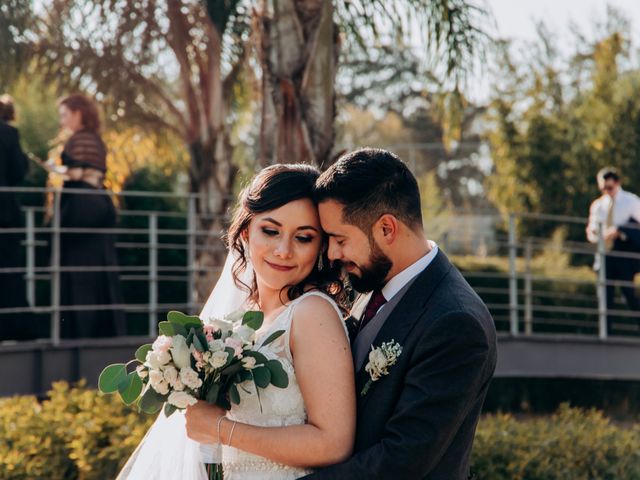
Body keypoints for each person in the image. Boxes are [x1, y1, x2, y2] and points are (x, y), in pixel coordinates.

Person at [119, 164, 355, 479]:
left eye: (303, 238)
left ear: (320, 246)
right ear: (246, 231)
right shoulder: (242, 321)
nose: (283, 251)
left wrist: (221, 429)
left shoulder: (311, 314)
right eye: (270, 231)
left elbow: (333, 444)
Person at [305, 148, 498, 479]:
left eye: (339, 239)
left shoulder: (456, 322)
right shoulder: (374, 285)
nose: (332, 254)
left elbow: (401, 460)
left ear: (386, 229)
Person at [56, 94, 125, 337]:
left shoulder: (78, 140)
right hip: (100, 205)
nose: (62, 121)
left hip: (80, 209)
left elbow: (75, 174)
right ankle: (104, 330)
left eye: (65, 115)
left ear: (78, 113)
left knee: (77, 273)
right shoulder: (97, 140)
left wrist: (56, 170)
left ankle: (79, 332)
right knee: (99, 270)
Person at [586, 167, 640, 332]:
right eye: (603, 188)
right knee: (604, 296)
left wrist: (621, 231)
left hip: (624, 255)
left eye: (609, 187)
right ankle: (605, 334)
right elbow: (591, 230)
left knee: (628, 295)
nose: (606, 191)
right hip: (605, 254)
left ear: (617, 183)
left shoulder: (631, 202)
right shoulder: (598, 205)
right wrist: (597, 234)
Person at [0, 94, 33, 340]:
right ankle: (15, 329)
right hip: (4, 214)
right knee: (9, 271)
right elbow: (17, 172)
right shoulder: (8, 133)